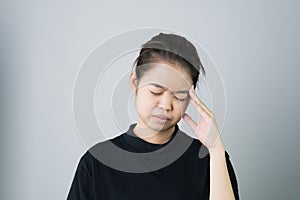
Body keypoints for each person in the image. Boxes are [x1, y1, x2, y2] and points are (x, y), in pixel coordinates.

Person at [67, 32, 239, 199]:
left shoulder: (208, 159)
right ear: (135, 83)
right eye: (156, 91)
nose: (166, 105)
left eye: (179, 96)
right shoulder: (97, 162)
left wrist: (216, 149)